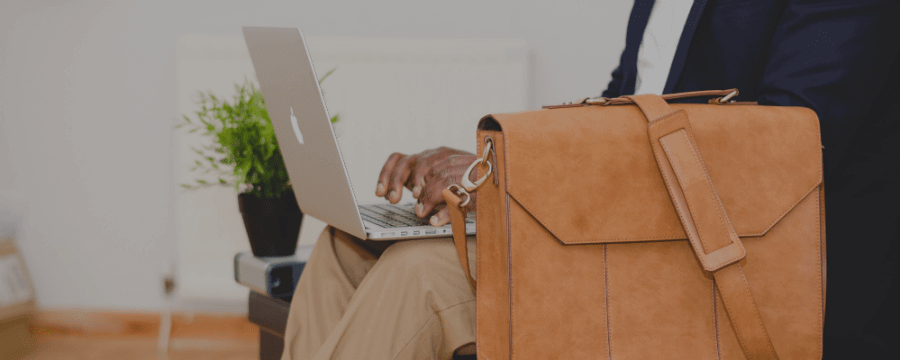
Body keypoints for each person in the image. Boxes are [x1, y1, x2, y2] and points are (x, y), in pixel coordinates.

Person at [280, 0, 900, 358]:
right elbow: (617, 110)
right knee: (342, 250)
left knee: (418, 276)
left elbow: (773, 155)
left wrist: (515, 177)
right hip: (635, 239)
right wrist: (488, 171)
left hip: (738, 270)